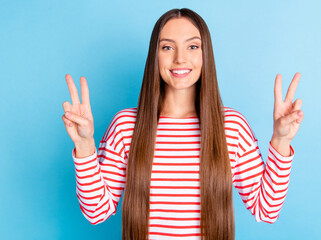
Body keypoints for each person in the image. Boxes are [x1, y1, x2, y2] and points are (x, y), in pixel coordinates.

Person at [61, 8, 303, 240]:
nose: (180, 58)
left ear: (205, 54)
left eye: (192, 46)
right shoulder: (126, 126)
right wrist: (84, 145)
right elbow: (96, 212)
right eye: (167, 47)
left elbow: (266, 210)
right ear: (154, 55)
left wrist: (281, 140)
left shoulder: (232, 126)